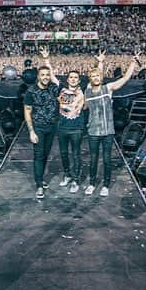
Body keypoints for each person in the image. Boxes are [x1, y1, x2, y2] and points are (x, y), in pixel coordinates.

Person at [82, 50, 140, 196]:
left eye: (98, 75)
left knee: (107, 159)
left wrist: (132, 63)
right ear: (90, 78)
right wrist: (100, 62)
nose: (95, 77)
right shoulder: (88, 90)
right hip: (93, 131)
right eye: (93, 76)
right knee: (94, 159)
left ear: (101, 77)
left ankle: (106, 185)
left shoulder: (108, 88)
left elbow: (125, 78)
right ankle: (92, 184)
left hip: (107, 131)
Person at [40, 48, 86, 193]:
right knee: (64, 153)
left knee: (76, 154)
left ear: (79, 80)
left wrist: (100, 62)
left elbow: (97, 77)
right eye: (71, 77)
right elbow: (52, 75)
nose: (73, 79)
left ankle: (76, 180)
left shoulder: (83, 90)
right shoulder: (61, 89)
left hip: (77, 128)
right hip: (62, 127)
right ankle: (67, 175)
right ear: (67, 80)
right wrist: (46, 59)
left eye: (75, 77)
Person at [23, 62, 61, 199]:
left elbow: (60, 84)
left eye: (47, 75)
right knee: (38, 155)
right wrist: (31, 131)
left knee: (45, 155)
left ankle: (41, 178)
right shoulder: (31, 91)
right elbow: (27, 112)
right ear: (38, 76)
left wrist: (47, 61)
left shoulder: (53, 88)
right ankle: (39, 185)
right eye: (43, 75)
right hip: (38, 127)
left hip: (51, 127)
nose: (45, 77)